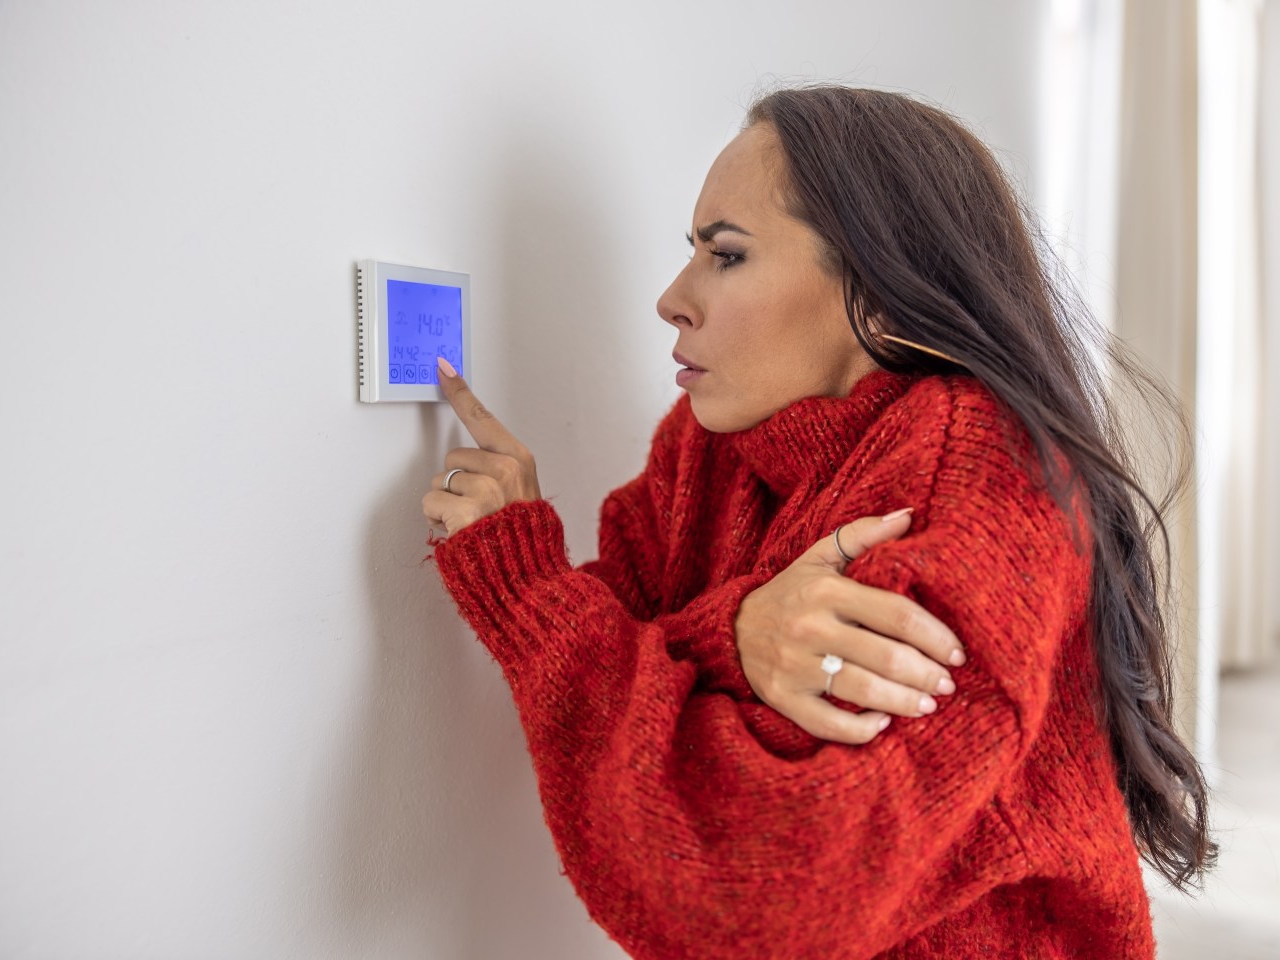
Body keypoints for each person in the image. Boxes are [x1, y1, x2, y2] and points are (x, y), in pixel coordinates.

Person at [421, 85, 1214, 959]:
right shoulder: (712, 440)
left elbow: (758, 896)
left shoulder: (984, 482)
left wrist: (533, 598)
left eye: (726, 257)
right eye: (690, 252)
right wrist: (739, 631)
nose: (671, 300)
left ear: (876, 296)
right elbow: (627, 621)